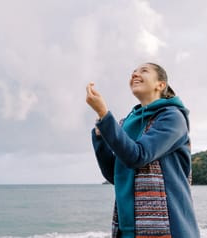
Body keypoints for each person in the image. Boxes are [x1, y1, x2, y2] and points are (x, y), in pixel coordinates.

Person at [86, 62, 200, 238]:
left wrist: (104, 115)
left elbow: (138, 156)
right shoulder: (126, 123)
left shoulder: (172, 117)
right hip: (127, 229)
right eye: (133, 72)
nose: (134, 75)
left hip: (168, 229)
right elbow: (115, 174)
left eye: (143, 71)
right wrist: (101, 136)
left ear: (160, 85)